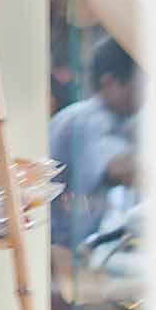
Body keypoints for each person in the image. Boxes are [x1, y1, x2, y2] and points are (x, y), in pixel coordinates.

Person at [49, 37, 144, 253]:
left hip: (72, 249)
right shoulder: (91, 119)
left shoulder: (113, 120)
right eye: (139, 85)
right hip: (59, 252)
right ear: (109, 82)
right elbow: (124, 170)